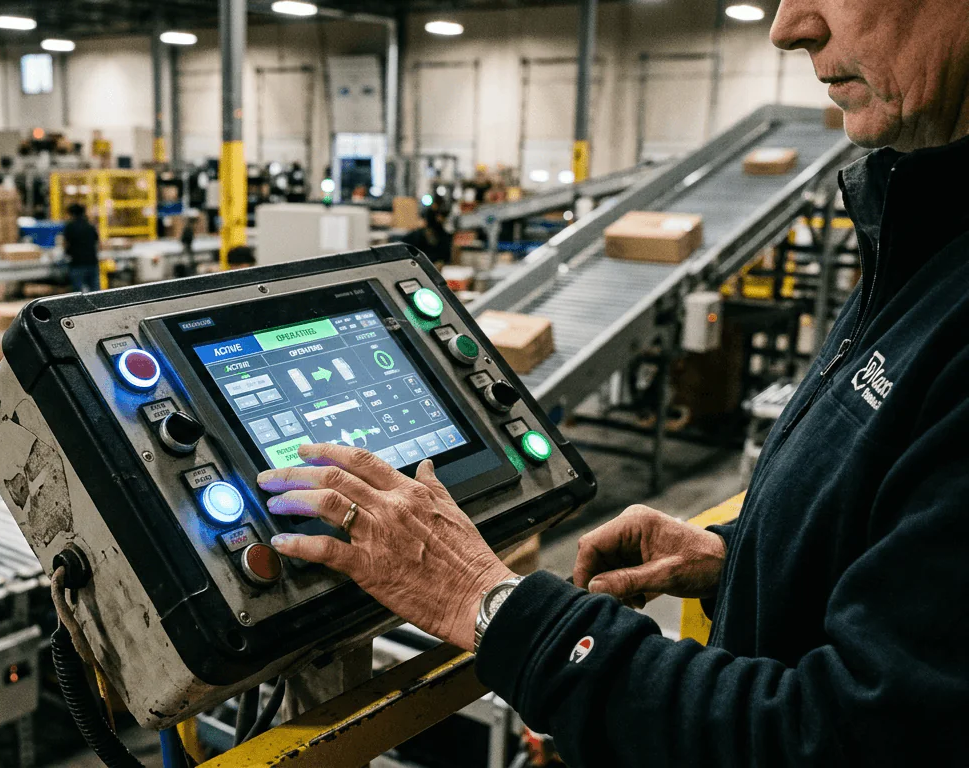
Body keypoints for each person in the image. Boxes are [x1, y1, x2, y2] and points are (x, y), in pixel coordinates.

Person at [257, 0, 969, 764]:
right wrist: (747, 553)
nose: (789, 25)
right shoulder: (926, 241)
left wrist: (487, 604)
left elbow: (838, 739)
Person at [63, 202, 101, 293]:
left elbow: (65, 244)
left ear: (71, 214)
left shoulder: (70, 227)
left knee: (78, 294)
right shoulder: (90, 226)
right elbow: (98, 243)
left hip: (77, 263)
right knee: (95, 293)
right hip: (92, 262)